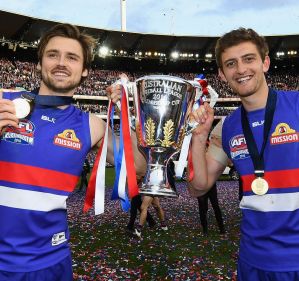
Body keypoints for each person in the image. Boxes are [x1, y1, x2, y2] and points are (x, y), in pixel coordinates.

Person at [0, 23, 146, 281]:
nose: (61, 63)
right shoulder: (5, 101)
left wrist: (127, 112)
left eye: (72, 57)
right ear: (39, 63)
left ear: (85, 71)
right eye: (52, 54)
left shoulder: (90, 125)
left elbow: (137, 168)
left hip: (50, 263)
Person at [189, 27, 299, 281]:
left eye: (248, 59)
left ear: (265, 62)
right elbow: (198, 187)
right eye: (231, 64)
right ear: (222, 73)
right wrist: (199, 137)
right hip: (254, 260)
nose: (240, 69)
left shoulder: (295, 104)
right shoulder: (226, 127)